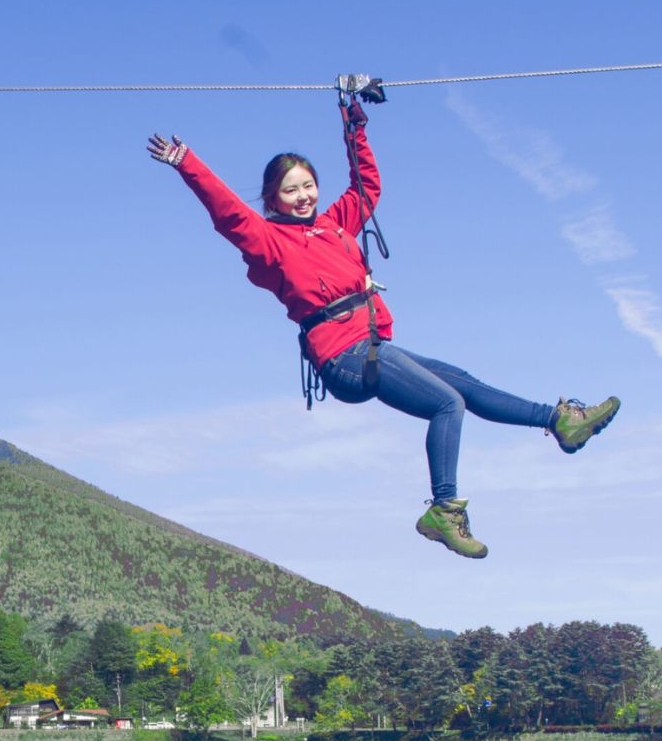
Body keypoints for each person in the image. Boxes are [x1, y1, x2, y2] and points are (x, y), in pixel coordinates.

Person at [145, 78, 618, 559]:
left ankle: (560, 421)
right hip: (343, 357)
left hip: (370, 343)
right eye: (291, 191)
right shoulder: (269, 241)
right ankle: (443, 510)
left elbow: (366, 186)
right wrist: (188, 163)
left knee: (465, 386)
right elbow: (228, 213)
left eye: (308, 185)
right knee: (447, 403)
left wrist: (353, 119)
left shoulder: (335, 224)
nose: (303, 196)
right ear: (273, 199)